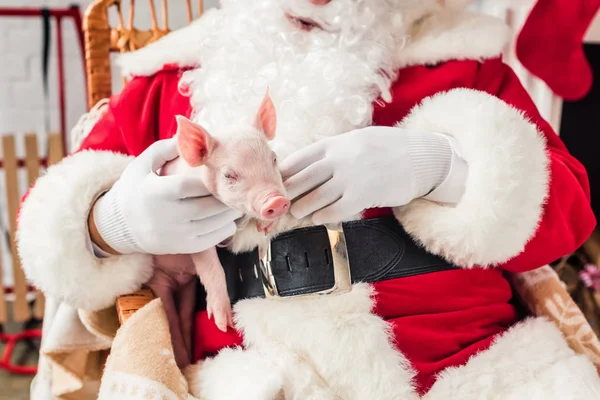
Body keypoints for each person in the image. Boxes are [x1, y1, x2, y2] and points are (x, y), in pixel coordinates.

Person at [16, 0, 600, 398]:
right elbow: (54, 227)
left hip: (464, 369)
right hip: (257, 376)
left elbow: (567, 216)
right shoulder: (174, 76)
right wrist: (110, 222)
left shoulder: (460, 61)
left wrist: (437, 166)